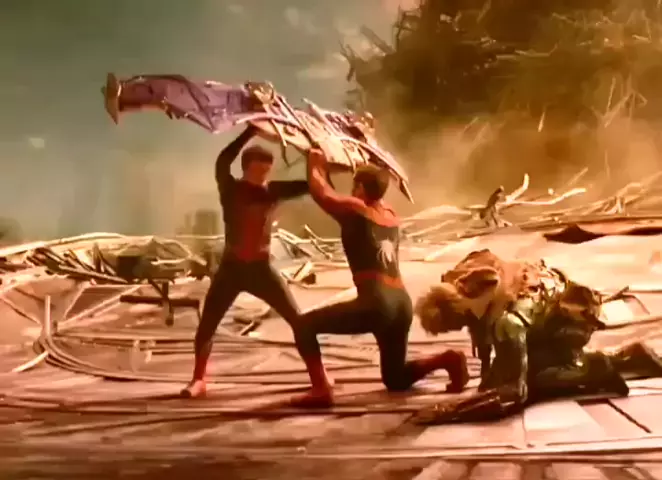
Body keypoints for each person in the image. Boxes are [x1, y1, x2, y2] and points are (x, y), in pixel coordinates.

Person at [288, 148, 469, 408]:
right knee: (395, 378)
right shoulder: (391, 216)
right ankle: (447, 360)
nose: (351, 192)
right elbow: (345, 195)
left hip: (376, 303)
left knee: (304, 326)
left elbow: (322, 194)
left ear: (361, 188)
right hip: (401, 304)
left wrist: (314, 163)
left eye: (355, 186)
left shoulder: (356, 211)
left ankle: (321, 389)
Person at [413, 250, 662, 423]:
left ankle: (597, 367)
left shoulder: (508, 321)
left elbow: (514, 393)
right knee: (509, 371)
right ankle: (626, 358)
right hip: (548, 314)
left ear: (461, 315)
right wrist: (488, 378)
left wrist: (452, 411)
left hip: (571, 320)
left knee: (537, 379)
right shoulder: (465, 281)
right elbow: (485, 344)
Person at [181, 125, 309, 398]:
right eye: (260, 171)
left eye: (267, 171)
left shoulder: (273, 190)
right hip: (232, 268)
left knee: (299, 321)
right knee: (207, 325)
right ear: (247, 168)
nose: (264, 176)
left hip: (262, 269)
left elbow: (311, 184)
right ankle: (199, 379)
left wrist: (316, 155)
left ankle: (320, 380)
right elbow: (222, 161)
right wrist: (249, 132)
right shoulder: (230, 189)